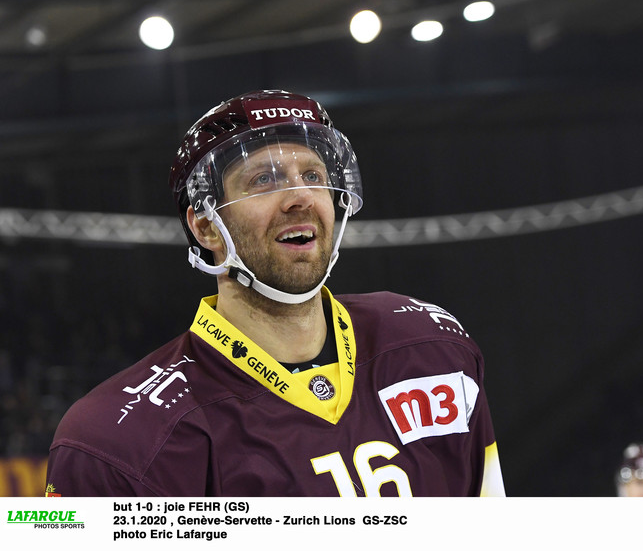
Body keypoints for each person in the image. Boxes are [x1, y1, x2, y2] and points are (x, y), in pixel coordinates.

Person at [45, 89, 505, 497]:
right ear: (206, 226)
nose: (300, 197)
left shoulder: (432, 346)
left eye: (312, 174)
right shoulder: (116, 441)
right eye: (264, 179)